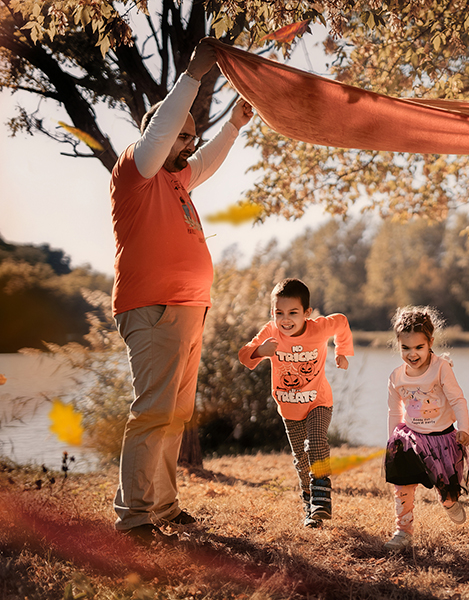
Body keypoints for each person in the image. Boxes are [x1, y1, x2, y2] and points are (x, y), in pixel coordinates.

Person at [111, 38, 254, 542]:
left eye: (193, 136)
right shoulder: (136, 169)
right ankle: (133, 518)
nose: (190, 143)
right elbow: (162, 134)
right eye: (183, 135)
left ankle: (165, 506)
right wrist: (193, 76)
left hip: (189, 310)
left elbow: (207, 163)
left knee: (175, 416)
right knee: (153, 412)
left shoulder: (176, 182)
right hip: (153, 308)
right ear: (159, 133)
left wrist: (233, 127)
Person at [238, 278, 354, 528]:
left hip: (318, 401)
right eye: (279, 312)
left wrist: (342, 351)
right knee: (301, 460)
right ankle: (310, 506)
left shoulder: (318, 328)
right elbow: (244, 355)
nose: (285, 319)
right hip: (289, 407)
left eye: (293, 312)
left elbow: (341, 322)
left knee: (316, 441)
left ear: (307, 313)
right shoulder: (271, 331)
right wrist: (260, 351)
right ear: (272, 312)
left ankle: (321, 494)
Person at [382, 306, 469, 551]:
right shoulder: (396, 376)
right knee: (403, 485)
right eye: (405, 348)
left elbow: (458, 400)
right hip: (411, 439)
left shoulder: (441, 368)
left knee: (448, 490)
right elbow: (394, 411)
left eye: (419, 347)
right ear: (398, 345)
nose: (412, 354)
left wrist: (464, 428)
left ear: (430, 343)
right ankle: (403, 530)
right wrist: (392, 441)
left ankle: (449, 501)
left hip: (442, 439)